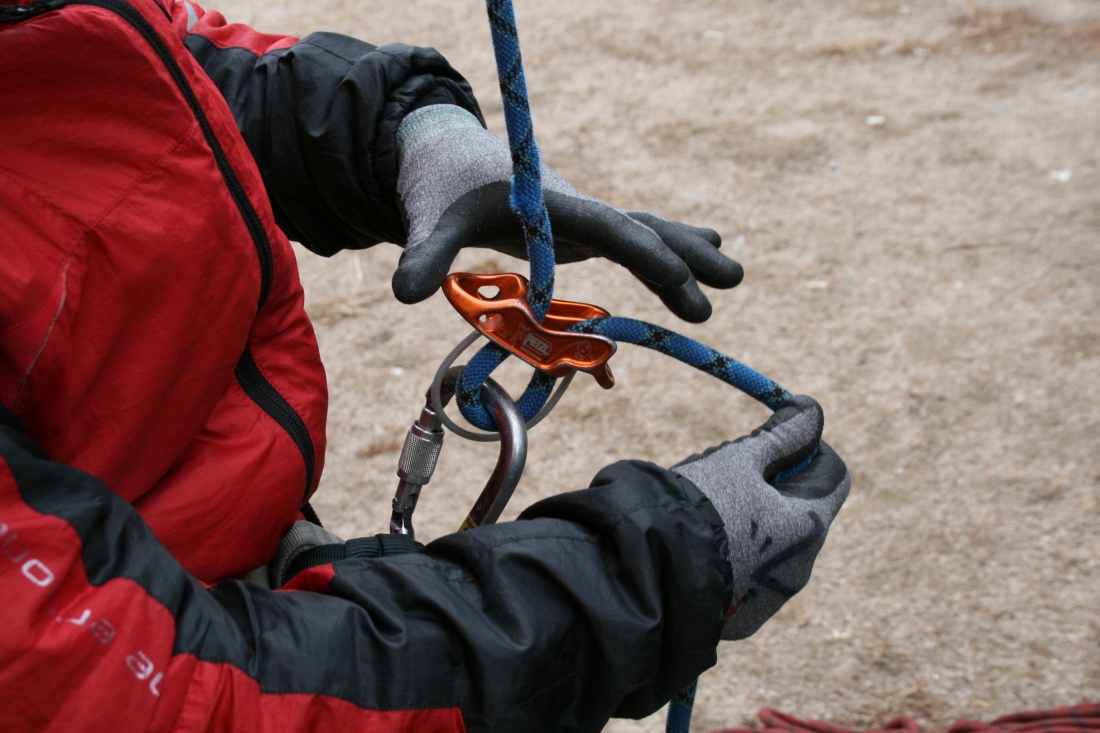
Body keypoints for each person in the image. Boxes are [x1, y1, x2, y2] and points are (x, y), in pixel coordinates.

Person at [0, 0, 851, 730]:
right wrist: (634, 583)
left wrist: (410, 132)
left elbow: (135, 67)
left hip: (194, 570)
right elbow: (159, 702)